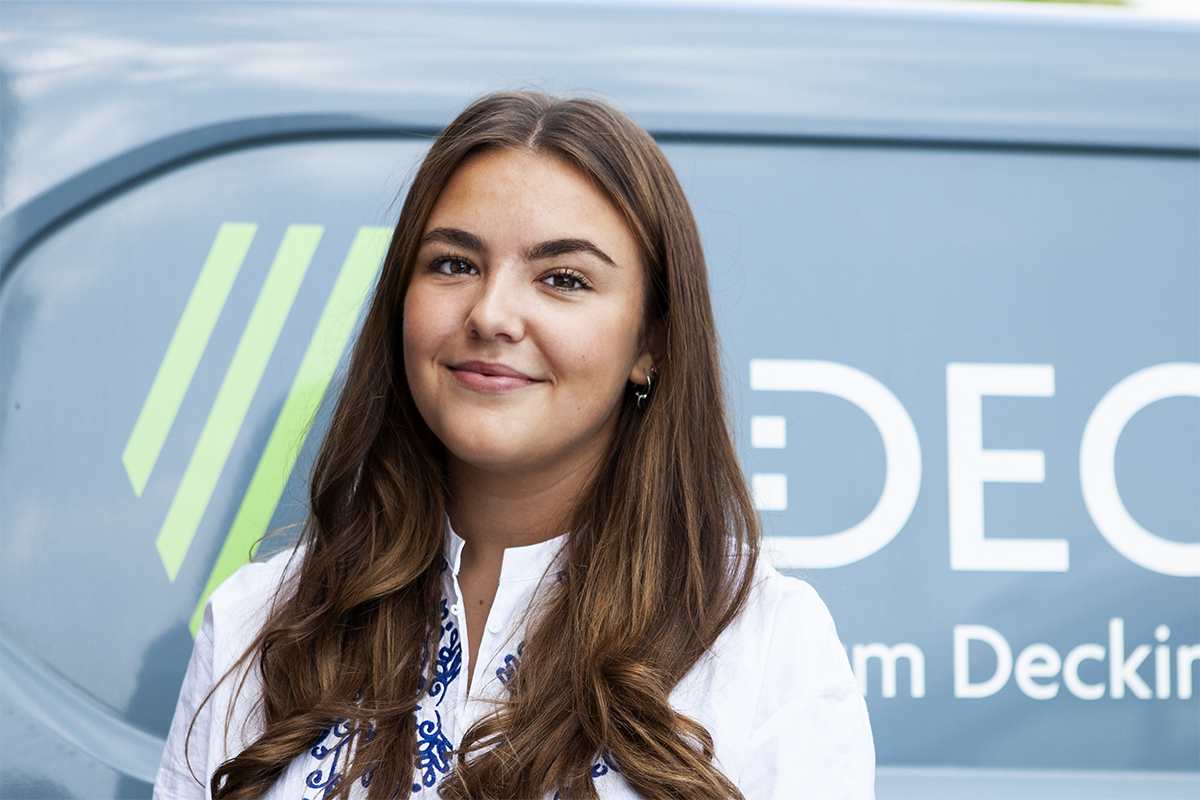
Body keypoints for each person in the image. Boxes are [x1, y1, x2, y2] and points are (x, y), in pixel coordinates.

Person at [154, 91, 874, 800]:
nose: (492, 313)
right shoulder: (263, 622)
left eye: (563, 279)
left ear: (650, 342)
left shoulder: (764, 645)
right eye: (453, 264)